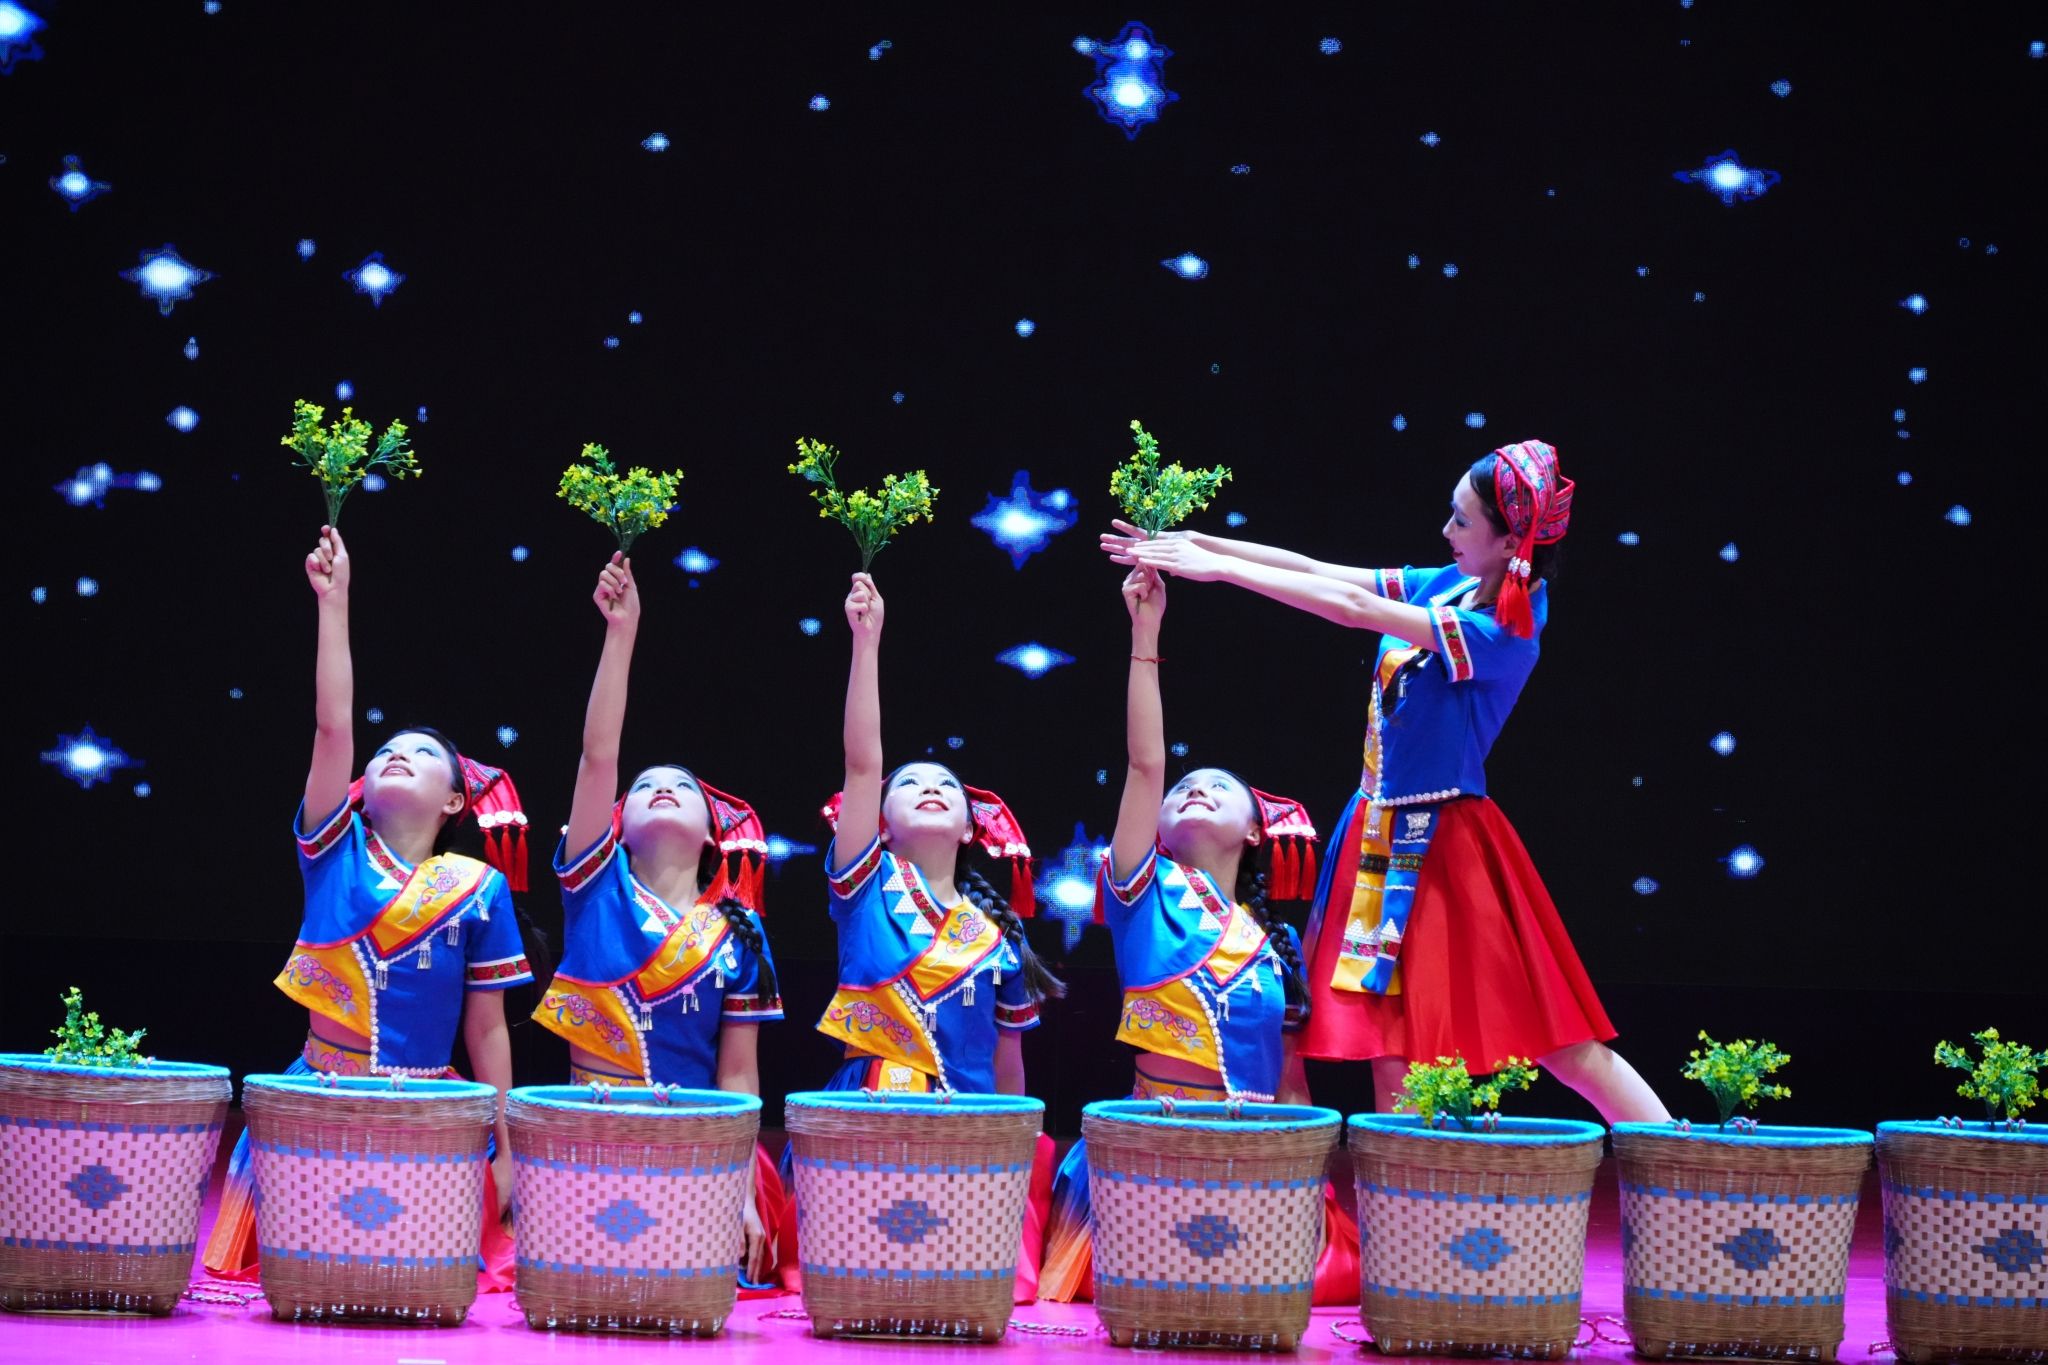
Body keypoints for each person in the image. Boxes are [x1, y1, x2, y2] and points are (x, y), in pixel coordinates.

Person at [1105, 441, 1669, 1124]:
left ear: (1508, 542)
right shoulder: (1452, 582)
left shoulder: (1500, 630)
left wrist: (1219, 570)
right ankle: (1406, 1191)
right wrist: (1195, 544)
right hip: (1376, 831)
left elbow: (1352, 606)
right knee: (1389, 1042)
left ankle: (1676, 1154)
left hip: (1446, 845)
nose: (1447, 529)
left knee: (1560, 1043)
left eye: (1462, 520)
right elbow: (1318, 570)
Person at [202, 525, 535, 1285]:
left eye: (422, 754)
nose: (395, 755)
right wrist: (334, 603)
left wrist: (507, 1145)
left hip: (429, 1110)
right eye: (386, 749)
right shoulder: (333, 847)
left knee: (414, 1275)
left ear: (455, 800)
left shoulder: (478, 888)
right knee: (315, 1270)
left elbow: (487, 1027)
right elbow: (333, 726)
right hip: (321, 1095)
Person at [1037, 564, 1358, 1304]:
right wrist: (1145, 634)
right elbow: (1146, 763)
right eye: (1184, 788)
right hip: (1156, 1143)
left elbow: (1289, 1077)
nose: (1194, 790)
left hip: (1252, 1149)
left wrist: (1300, 1171)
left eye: (1218, 787)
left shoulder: (1273, 942)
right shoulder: (1141, 891)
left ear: (1256, 830)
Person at [781, 570, 1062, 1300]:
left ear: (972, 828)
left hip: (967, 1126)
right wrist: (866, 643)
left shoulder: (997, 937)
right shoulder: (862, 885)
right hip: (866, 1114)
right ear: (878, 821)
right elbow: (862, 762)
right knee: (862, 1283)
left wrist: (1012, 1156)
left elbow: (1009, 1069)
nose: (930, 788)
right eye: (909, 784)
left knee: (956, 1287)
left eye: (947, 786)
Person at [530, 551, 787, 1285]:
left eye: (681, 787)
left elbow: (738, 1074)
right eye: (644, 787)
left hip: (696, 1152)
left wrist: (739, 1189)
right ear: (616, 825)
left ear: (712, 834)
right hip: (591, 1141)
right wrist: (621, 635)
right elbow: (596, 756)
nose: (662, 789)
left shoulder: (740, 929)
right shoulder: (594, 887)